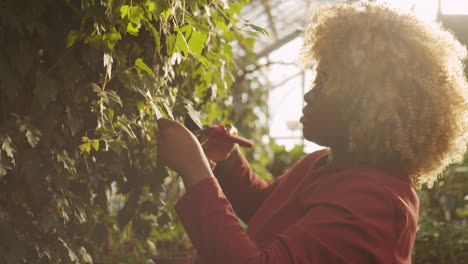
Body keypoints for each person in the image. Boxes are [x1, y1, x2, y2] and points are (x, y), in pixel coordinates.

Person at [157, 3, 468, 264]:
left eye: (326, 82)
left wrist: (195, 170)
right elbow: (267, 207)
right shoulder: (326, 161)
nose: (309, 94)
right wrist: (229, 160)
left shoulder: (376, 206)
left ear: (368, 105)